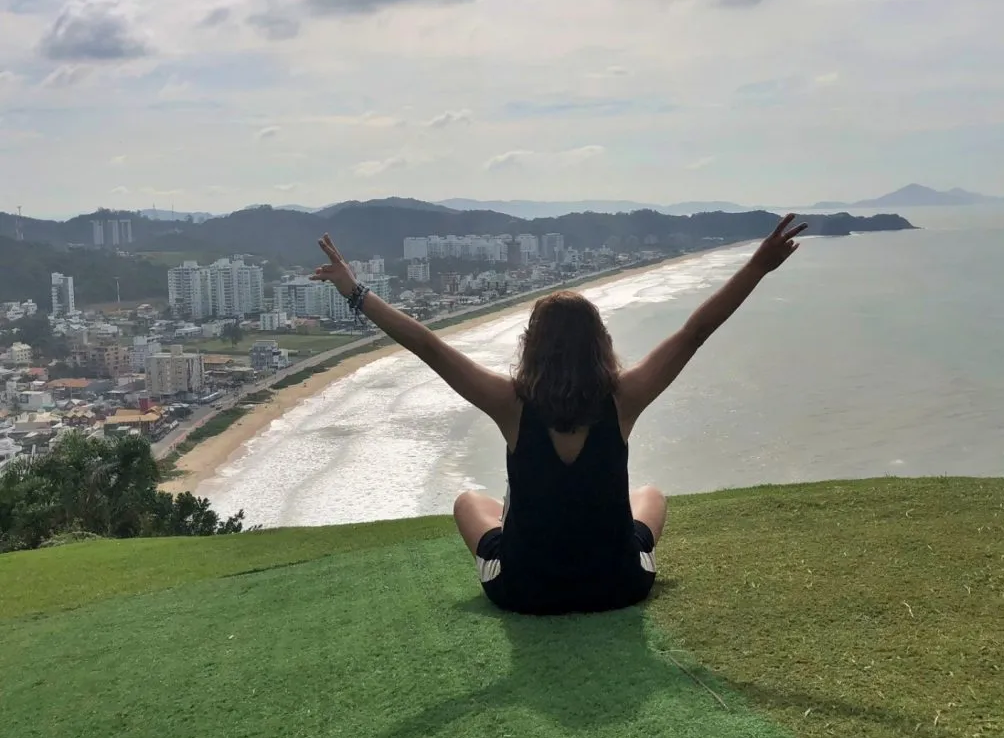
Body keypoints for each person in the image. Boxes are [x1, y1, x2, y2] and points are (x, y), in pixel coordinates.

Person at [313, 214, 806, 616]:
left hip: (524, 592)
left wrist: (354, 291)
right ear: (600, 343)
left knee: (468, 500)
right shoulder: (624, 398)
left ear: (533, 346)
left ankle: (515, 522)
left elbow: (428, 345)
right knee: (650, 496)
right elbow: (695, 331)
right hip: (619, 585)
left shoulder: (509, 402)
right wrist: (757, 268)